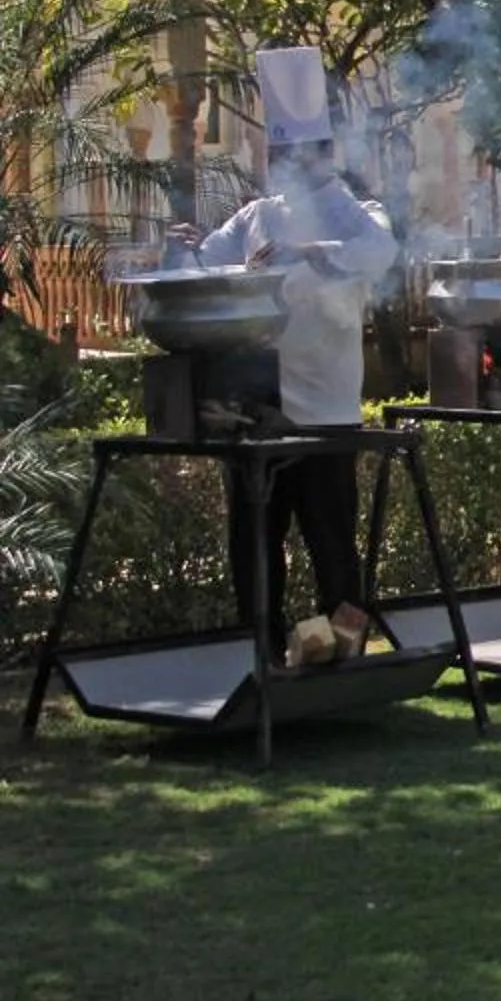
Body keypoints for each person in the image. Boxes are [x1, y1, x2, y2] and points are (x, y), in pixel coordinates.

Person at [169, 47, 398, 667]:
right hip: (260, 408)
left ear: (320, 153)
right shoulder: (258, 216)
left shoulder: (355, 212)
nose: (285, 166)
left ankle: (344, 660)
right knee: (254, 543)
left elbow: (379, 250)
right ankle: (261, 658)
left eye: (298, 154)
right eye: (281, 155)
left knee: (331, 544)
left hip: (325, 408)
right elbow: (207, 270)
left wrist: (322, 232)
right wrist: (183, 250)